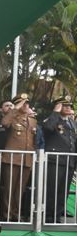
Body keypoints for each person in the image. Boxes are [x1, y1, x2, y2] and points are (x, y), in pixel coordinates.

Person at [0, 94, 37, 222]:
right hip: (12, 158)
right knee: (9, 188)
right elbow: (4, 122)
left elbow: (35, 140)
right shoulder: (12, 118)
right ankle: (7, 214)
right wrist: (15, 109)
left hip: (26, 159)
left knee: (20, 189)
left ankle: (16, 214)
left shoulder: (32, 120)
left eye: (27, 103)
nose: (26, 105)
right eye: (23, 103)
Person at [42, 95, 76, 223]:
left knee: (63, 191)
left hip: (69, 161)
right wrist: (55, 112)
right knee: (52, 190)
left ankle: (57, 216)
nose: (68, 108)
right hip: (55, 160)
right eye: (64, 105)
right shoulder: (53, 120)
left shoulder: (72, 122)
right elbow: (48, 128)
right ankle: (48, 216)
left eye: (69, 106)